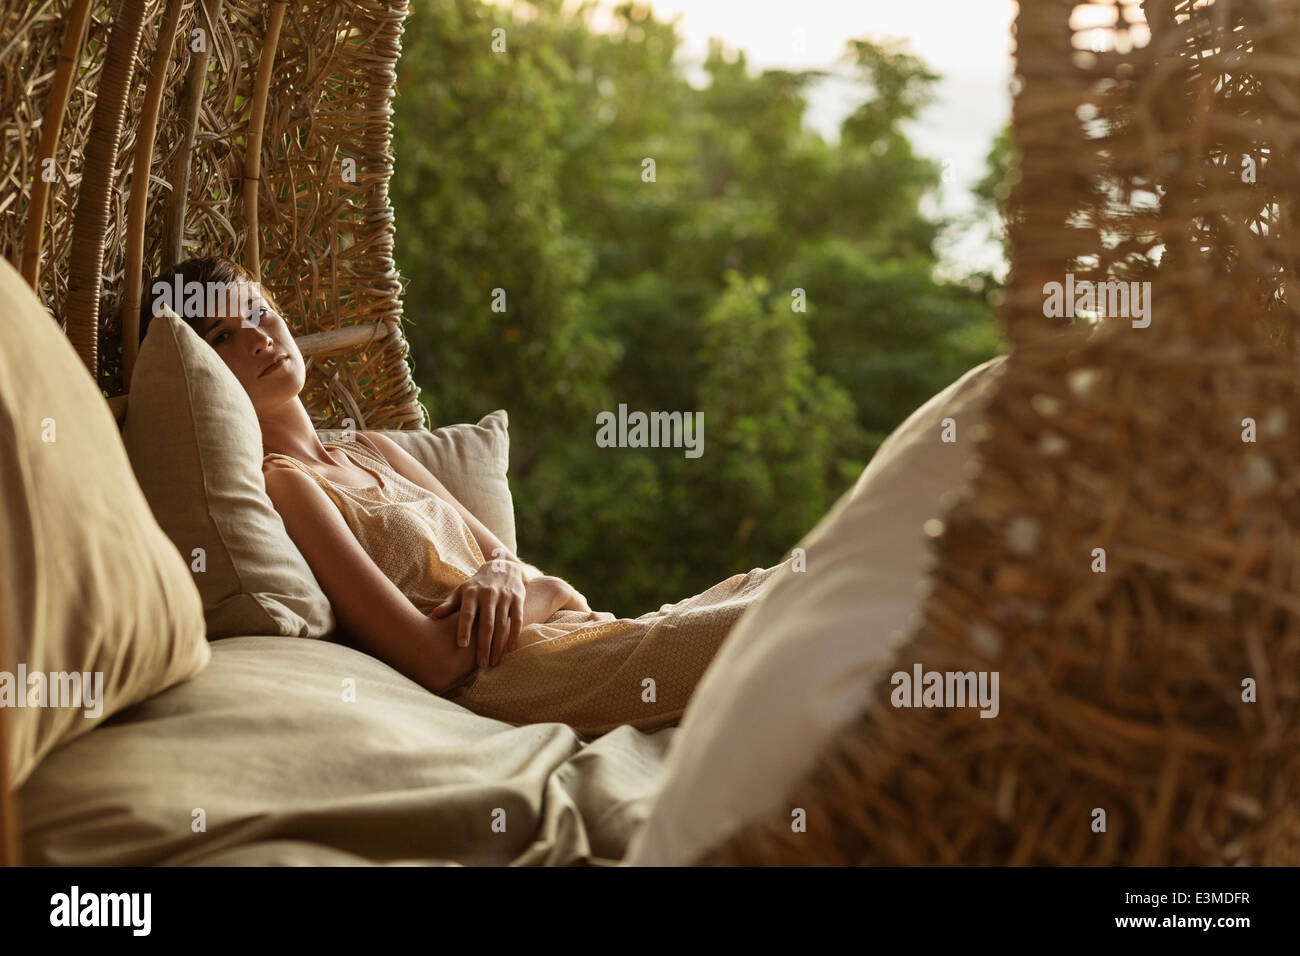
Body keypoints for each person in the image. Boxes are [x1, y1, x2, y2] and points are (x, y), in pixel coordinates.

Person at [139, 256, 790, 739]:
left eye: (259, 312)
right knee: (793, 617)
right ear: (206, 374)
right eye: (222, 336)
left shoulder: (372, 448)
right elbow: (429, 658)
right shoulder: (288, 486)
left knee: (789, 580)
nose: (257, 337)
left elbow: (526, 571)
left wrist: (512, 579)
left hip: (584, 633)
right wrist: (531, 589)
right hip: (527, 677)